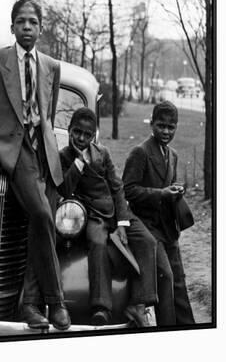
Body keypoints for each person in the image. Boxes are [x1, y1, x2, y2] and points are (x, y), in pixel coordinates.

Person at [0, 0, 70, 330]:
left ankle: (30, 304)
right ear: (12, 26)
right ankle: (55, 303)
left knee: (39, 226)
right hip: (14, 150)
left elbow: (49, 116)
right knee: (42, 216)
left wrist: (50, 150)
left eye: (33, 22)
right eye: (21, 21)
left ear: (41, 28)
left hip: (45, 155)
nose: (27, 27)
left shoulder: (52, 66)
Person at [58, 107, 158, 327]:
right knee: (97, 243)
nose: (82, 138)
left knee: (147, 241)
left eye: (87, 134)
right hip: (93, 214)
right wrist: (78, 163)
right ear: (69, 131)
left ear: (94, 135)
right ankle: (101, 306)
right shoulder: (64, 157)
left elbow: (117, 187)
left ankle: (139, 303)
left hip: (117, 212)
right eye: (77, 133)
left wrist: (123, 222)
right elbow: (65, 190)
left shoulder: (103, 153)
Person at [123, 101, 195, 326]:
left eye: (171, 127)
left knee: (179, 283)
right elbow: (129, 190)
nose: (165, 131)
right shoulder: (140, 152)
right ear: (151, 124)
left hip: (167, 227)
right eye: (161, 126)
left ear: (176, 127)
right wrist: (161, 193)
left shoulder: (172, 155)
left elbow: (167, 185)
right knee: (166, 276)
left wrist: (176, 190)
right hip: (146, 227)